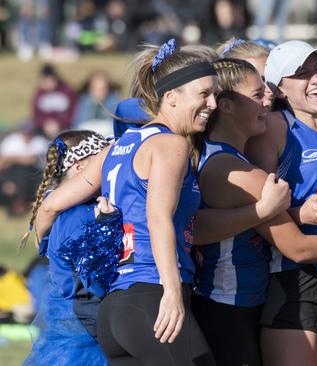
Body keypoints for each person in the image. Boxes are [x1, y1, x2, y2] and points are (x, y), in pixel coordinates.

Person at [34, 38, 218, 365]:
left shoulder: (116, 148)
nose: (213, 104)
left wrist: (50, 256)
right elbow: (158, 216)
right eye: (204, 94)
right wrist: (172, 294)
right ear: (171, 98)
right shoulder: (170, 145)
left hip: (116, 313)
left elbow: (49, 206)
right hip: (152, 298)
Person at [192, 57, 317, 366]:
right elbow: (299, 247)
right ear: (226, 106)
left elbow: (201, 226)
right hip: (229, 308)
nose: (268, 100)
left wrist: (287, 213)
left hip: (240, 303)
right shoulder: (235, 170)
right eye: (258, 95)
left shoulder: (228, 158)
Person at [245, 40, 317, 366]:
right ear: (279, 89)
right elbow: (261, 209)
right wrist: (299, 213)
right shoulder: (276, 130)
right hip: (299, 279)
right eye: (302, 74)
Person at [23, 130, 119, 366]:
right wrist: (107, 224)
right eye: (101, 167)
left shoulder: (62, 211)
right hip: (83, 324)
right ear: (78, 168)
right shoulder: (79, 216)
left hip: (70, 316)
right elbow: (94, 278)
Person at [31, 64, 77, 138]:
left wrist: (59, 123)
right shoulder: (39, 93)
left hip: (64, 128)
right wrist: (44, 123)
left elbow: (73, 112)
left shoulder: (68, 91)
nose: (47, 83)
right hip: (43, 129)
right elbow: (35, 114)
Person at [72, 70, 121, 136]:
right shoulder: (85, 101)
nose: (101, 92)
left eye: (104, 88)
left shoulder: (113, 100)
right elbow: (78, 123)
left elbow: (115, 123)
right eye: (97, 89)